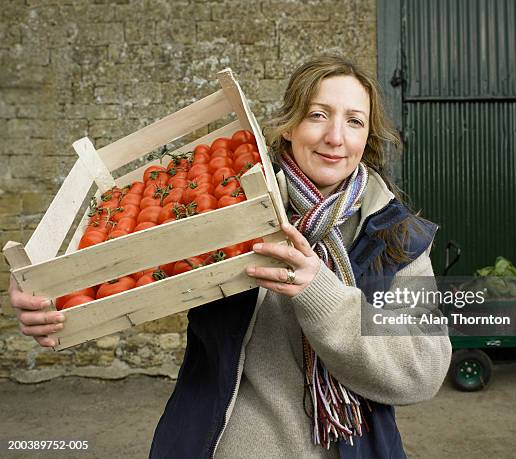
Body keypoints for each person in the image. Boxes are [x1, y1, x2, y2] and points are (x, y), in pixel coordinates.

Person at [9, 55, 452, 458]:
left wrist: (322, 293)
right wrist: (48, 293)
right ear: (290, 125)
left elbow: (421, 370)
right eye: (318, 115)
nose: (335, 137)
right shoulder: (227, 207)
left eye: (354, 121)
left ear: (367, 137)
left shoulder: (396, 237)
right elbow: (121, 260)